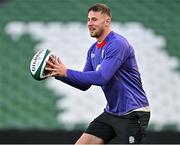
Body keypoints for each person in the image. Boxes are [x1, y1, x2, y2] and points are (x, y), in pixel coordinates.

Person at [45, 3, 150, 144]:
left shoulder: (117, 44)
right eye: (88, 19)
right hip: (112, 112)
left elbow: (102, 77)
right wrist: (58, 74)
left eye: (94, 19)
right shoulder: (93, 50)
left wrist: (66, 72)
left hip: (133, 111)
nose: (89, 23)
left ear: (107, 21)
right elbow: (84, 84)